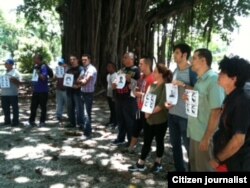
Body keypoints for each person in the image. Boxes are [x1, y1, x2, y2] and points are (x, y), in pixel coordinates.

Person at [128, 63, 172, 173]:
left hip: (160, 120)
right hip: (148, 119)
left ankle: (158, 163)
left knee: (159, 141)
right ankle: (141, 163)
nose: (153, 73)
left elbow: (162, 104)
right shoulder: (153, 85)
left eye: (156, 71)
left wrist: (150, 112)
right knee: (146, 141)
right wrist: (145, 112)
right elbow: (147, 100)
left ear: (161, 74)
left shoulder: (166, 86)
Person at [210, 56, 250, 171]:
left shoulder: (242, 101)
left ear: (233, 78)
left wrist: (217, 160)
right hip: (228, 161)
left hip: (239, 163)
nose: (218, 74)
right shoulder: (231, 95)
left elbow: (238, 140)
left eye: (222, 73)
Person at [187, 48, 224, 171]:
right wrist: (189, 98)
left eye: (194, 58)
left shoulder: (213, 79)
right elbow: (203, 103)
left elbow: (217, 110)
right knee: (194, 166)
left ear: (203, 60)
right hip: (195, 132)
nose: (191, 61)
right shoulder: (200, 80)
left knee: (204, 169)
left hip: (204, 135)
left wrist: (207, 137)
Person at [165, 43, 197, 172]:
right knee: (175, 145)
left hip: (186, 117)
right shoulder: (175, 70)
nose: (174, 55)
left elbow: (198, 92)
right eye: (174, 52)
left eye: (177, 52)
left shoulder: (192, 71)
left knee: (189, 147)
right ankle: (180, 170)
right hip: (172, 114)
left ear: (185, 55)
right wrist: (168, 102)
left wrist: (183, 85)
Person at [112, 52, 140, 146]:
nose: (123, 59)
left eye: (125, 57)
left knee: (130, 120)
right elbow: (116, 81)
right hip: (119, 98)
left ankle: (130, 141)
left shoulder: (136, 70)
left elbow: (137, 84)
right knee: (120, 120)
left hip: (129, 99)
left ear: (131, 59)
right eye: (123, 57)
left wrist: (130, 80)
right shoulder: (121, 70)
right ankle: (120, 138)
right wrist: (114, 85)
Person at [127, 57, 154, 152]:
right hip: (139, 107)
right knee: (136, 127)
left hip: (146, 109)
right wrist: (133, 87)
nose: (139, 66)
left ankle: (146, 150)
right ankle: (131, 147)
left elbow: (153, 96)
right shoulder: (141, 77)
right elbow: (138, 88)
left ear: (147, 65)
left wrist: (140, 94)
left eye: (141, 64)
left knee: (147, 131)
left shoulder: (152, 78)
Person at [77, 54, 97, 139]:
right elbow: (78, 80)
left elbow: (85, 82)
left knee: (87, 114)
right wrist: (81, 81)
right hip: (83, 92)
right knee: (83, 112)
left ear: (89, 60)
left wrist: (81, 81)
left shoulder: (91, 69)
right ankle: (87, 129)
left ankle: (87, 133)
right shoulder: (84, 69)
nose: (83, 61)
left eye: (85, 60)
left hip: (88, 94)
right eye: (82, 60)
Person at [28, 54, 49, 127]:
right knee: (33, 107)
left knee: (43, 107)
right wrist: (32, 86)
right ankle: (31, 121)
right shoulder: (35, 67)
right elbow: (34, 78)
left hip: (43, 91)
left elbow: (43, 78)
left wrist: (38, 72)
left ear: (39, 59)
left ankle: (42, 122)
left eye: (35, 59)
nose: (34, 60)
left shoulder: (43, 67)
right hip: (36, 90)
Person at [0, 59, 21, 126]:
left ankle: (15, 121)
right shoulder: (3, 73)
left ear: (12, 64)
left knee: (15, 108)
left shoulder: (16, 73)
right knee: (5, 108)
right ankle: (7, 121)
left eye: (7, 63)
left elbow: (19, 83)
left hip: (13, 94)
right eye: (5, 63)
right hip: (4, 94)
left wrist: (14, 80)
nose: (6, 65)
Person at [66, 55, 84, 128]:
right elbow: (66, 79)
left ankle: (80, 123)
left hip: (78, 92)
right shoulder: (68, 70)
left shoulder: (81, 69)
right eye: (71, 59)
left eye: (74, 59)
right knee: (70, 108)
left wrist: (78, 86)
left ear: (77, 60)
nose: (72, 61)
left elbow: (84, 80)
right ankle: (72, 123)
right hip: (69, 92)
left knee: (79, 108)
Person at [55, 58, 68, 125]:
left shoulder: (68, 69)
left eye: (61, 63)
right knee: (59, 103)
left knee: (68, 103)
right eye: (59, 64)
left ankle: (70, 116)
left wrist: (65, 72)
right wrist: (56, 75)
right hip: (59, 88)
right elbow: (55, 78)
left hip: (66, 89)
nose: (60, 65)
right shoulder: (58, 69)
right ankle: (58, 116)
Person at [106, 62, 118, 127]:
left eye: (109, 67)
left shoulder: (115, 75)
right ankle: (111, 121)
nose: (108, 68)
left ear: (113, 68)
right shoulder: (108, 75)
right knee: (111, 109)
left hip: (114, 95)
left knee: (114, 109)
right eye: (107, 67)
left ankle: (115, 122)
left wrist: (114, 96)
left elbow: (115, 87)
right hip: (109, 95)